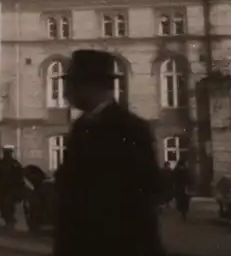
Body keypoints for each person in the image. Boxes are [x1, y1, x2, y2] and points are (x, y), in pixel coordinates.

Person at [53, 49, 165, 256]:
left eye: (71, 86)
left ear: (92, 86)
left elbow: (143, 193)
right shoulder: (80, 127)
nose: (66, 94)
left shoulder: (130, 129)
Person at [0, 145, 24, 228]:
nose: (7, 154)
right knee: (3, 205)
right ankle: (9, 220)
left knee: (7, 205)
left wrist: (19, 187)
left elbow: (20, 176)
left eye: (8, 153)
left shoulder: (14, 163)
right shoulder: (1, 163)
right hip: (4, 189)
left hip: (10, 188)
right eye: (6, 153)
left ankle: (10, 220)